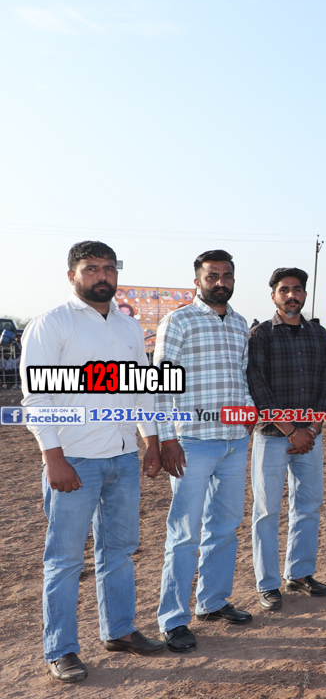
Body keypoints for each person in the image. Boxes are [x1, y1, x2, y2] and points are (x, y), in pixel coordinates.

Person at [21, 241, 166, 683]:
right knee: (65, 560)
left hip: (123, 457)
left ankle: (119, 631)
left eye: (108, 268)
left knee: (119, 552)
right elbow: (36, 398)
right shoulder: (51, 324)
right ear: (72, 275)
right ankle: (61, 649)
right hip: (74, 459)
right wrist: (53, 458)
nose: (102, 275)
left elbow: (141, 388)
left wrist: (152, 441)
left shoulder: (127, 325)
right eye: (91, 268)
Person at [155, 249, 253, 654]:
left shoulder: (241, 323)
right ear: (197, 281)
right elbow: (161, 383)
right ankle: (173, 620)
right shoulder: (178, 320)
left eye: (226, 276)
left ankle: (212, 602)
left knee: (225, 527)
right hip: (191, 443)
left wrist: (249, 411)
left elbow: (242, 376)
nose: (220, 282)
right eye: (212, 276)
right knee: (184, 534)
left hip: (234, 441)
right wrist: (166, 439)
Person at [247, 268, 326, 611]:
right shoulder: (261, 335)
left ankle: (299, 574)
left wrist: (312, 428)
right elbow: (258, 387)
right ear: (273, 295)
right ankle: (268, 584)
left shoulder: (318, 334)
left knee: (308, 506)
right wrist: (291, 430)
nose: (291, 295)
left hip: (310, 437)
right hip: (273, 436)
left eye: (297, 289)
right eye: (284, 290)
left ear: (305, 295)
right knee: (267, 511)